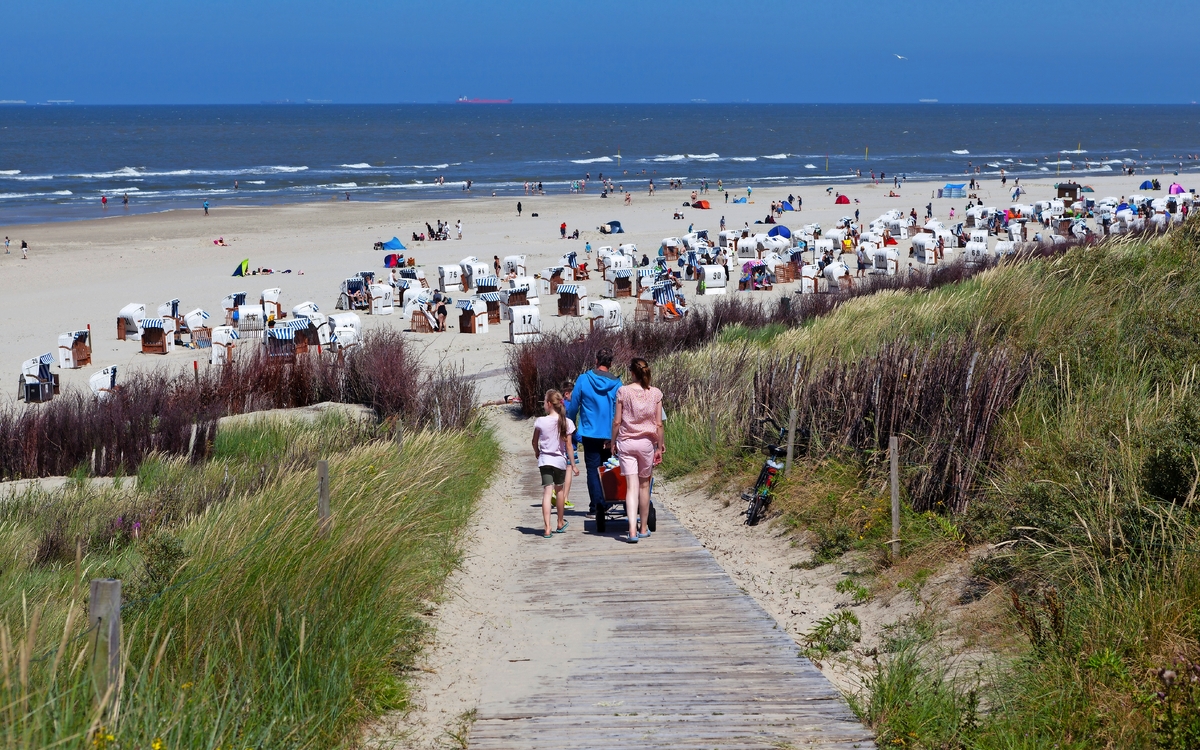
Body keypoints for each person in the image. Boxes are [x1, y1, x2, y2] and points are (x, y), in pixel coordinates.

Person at [611, 358, 663, 543]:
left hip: (627, 442)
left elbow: (617, 421)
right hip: (647, 444)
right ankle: (643, 528)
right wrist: (659, 446)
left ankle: (631, 531)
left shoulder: (623, 391)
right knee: (644, 486)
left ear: (631, 372)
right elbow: (658, 424)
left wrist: (612, 441)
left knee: (631, 487)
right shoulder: (655, 393)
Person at [565, 348, 622, 515]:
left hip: (589, 431)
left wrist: (571, 423)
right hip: (609, 433)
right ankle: (605, 502)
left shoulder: (583, 379)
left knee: (592, 469)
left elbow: (574, 405)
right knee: (607, 467)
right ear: (611, 363)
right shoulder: (617, 384)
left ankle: (595, 506)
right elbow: (619, 410)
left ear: (596, 361)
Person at [533, 390, 577, 538]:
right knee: (559, 491)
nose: (544, 404)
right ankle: (559, 522)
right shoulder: (567, 422)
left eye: (545, 402)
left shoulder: (540, 421)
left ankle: (547, 528)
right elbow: (569, 446)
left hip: (545, 460)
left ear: (549, 404)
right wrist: (573, 464)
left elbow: (534, 441)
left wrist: (537, 452)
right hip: (559, 461)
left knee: (547, 491)